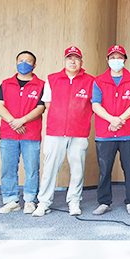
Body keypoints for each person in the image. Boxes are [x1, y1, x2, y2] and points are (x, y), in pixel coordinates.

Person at [33, 46, 95, 217]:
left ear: (81, 62)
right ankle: (44, 202)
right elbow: (47, 103)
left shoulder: (90, 81)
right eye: (69, 58)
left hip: (79, 132)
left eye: (76, 58)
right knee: (50, 168)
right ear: (64, 61)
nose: (73, 62)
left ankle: (74, 201)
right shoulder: (52, 79)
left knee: (77, 169)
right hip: (55, 131)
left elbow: (94, 105)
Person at [91, 45, 130, 216]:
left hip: (128, 133)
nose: (116, 61)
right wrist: (111, 119)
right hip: (105, 134)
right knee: (105, 170)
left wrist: (119, 119)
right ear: (107, 60)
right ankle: (104, 202)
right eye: (112, 58)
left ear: (125, 60)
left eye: (119, 57)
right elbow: (95, 105)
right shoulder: (99, 81)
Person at [0, 51, 46, 214]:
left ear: (34, 65)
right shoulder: (6, 84)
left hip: (31, 133)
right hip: (8, 133)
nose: (24, 63)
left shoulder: (41, 85)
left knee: (32, 168)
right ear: (16, 63)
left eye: (28, 61)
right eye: (21, 60)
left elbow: (41, 107)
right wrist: (13, 122)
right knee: (8, 168)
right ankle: (11, 200)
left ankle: (30, 200)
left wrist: (22, 120)